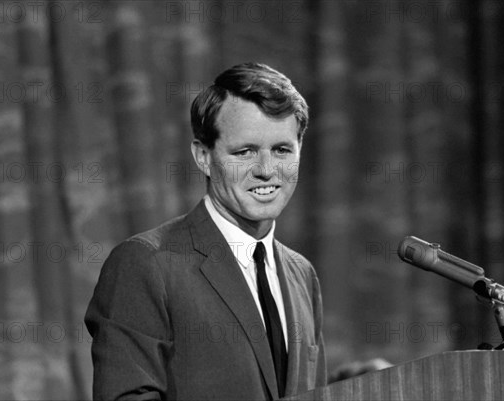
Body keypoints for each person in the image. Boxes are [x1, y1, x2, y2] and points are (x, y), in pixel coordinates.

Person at [85, 62, 326, 401]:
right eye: (245, 152)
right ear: (203, 156)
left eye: (282, 150)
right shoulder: (146, 264)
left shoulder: (303, 275)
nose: (267, 170)